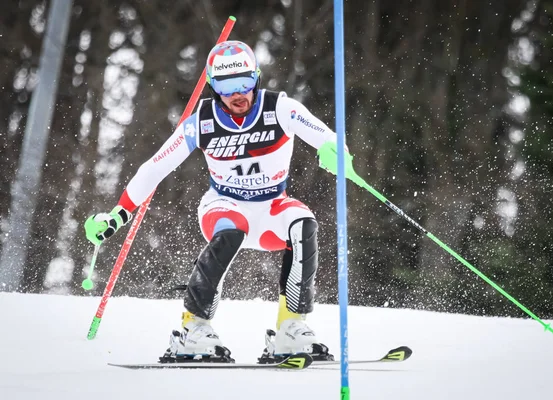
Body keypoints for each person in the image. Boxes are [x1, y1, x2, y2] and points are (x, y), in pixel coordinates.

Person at [84, 40, 353, 362]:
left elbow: (329, 139)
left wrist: (336, 153)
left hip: (271, 208)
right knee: (231, 231)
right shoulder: (202, 122)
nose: (237, 93)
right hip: (225, 204)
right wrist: (119, 213)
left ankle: (290, 329)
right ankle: (193, 330)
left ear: (256, 77)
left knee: (303, 223)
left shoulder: (282, 108)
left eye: (244, 82)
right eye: (226, 86)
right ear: (213, 86)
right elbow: (155, 167)